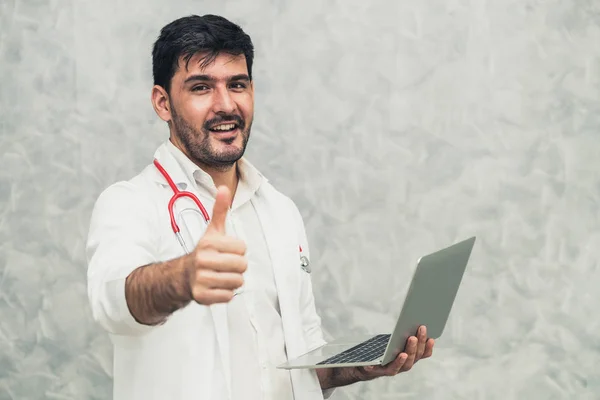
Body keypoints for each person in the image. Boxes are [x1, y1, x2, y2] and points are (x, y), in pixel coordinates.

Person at [86, 14, 434, 400]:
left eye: (238, 84)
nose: (225, 105)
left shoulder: (280, 211)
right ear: (162, 103)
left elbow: (295, 363)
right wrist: (184, 277)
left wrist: (353, 367)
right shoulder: (128, 203)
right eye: (201, 87)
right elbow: (115, 302)